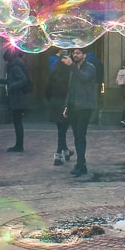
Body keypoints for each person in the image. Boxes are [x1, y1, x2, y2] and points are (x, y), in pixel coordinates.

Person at [63, 47, 96, 176]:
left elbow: (83, 78)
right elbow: (70, 89)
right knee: (77, 136)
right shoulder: (73, 69)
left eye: (78, 53)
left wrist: (71, 66)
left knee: (81, 136)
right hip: (73, 106)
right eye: (74, 53)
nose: (75, 55)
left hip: (85, 106)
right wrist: (66, 106)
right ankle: (81, 163)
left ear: (84, 55)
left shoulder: (90, 67)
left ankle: (81, 164)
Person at [45, 50, 75, 166]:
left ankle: (66, 151)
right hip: (65, 104)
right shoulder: (70, 74)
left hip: (54, 103)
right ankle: (57, 155)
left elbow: (47, 90)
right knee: (62, 131)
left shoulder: (54, 73)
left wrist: (51, 100)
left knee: (60, 130)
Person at [4, 50, 31, 151]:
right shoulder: (16, 65)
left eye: (6, 60)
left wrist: (11, 86)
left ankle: (19, 145)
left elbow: (23, 80)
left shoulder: (15, 67)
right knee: (17, 122)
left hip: (18, 99)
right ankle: (19, 145)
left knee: (17, 122)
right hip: (18, 98)